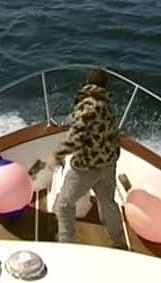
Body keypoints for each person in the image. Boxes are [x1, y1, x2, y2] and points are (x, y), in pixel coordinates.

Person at [52, 68, 125, 249]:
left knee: (64, 204)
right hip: (108, 164)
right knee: (108, 203)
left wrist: (58, 155)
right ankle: (118, 242)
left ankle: (66, 243)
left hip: (86, 167)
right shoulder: (107, 105)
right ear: (104, 86)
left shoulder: (87, 106)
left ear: (87, 83)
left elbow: (75, 138)